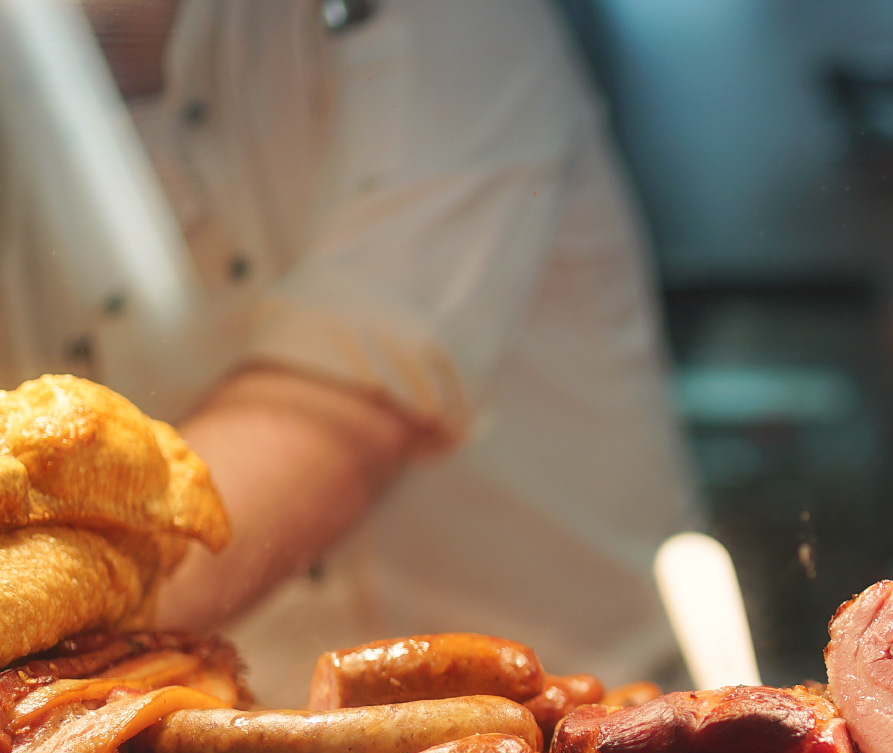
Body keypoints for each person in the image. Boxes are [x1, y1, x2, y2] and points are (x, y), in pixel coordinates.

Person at [0, 0, 701, 700]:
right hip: (211, 734)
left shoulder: (450, 23)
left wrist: (50, 603)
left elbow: (340, 414)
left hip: (577, 717)